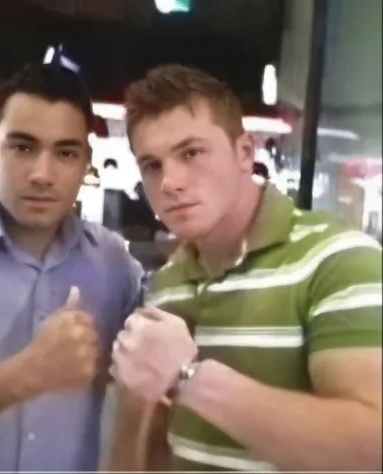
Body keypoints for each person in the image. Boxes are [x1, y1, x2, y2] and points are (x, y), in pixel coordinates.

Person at [108, 65, 382, 472]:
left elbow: (369, 450)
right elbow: (153, 449)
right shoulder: (166, 285)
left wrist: (190, 377)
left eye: (191, 153)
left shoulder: (339, 259)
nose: (170, 182)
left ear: (245, 153)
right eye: (152, 165)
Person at [0, 63, 143, 471]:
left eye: (65, 153)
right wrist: (28, 372)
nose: (42, 174)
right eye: (22, 147)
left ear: (86, 162)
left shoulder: (114, 264)